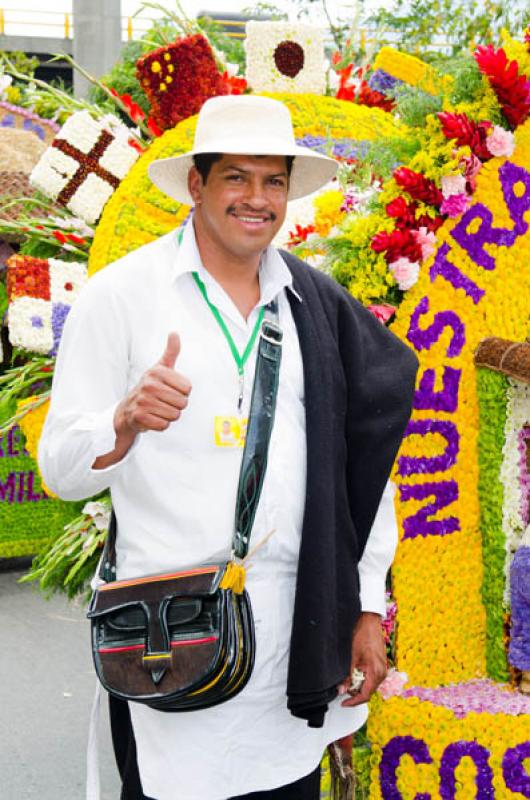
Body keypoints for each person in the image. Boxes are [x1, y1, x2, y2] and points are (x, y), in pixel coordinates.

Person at [38, 95, 418, 800]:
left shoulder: (315, 304)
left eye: (273, 181)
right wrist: (121, 425)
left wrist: (366, 604)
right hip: (171, 639)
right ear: (196, 185)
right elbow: (60, 470)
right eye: (236, 178)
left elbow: (365, 468)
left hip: (293, 638)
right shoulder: (122, 296)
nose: (257, 199)